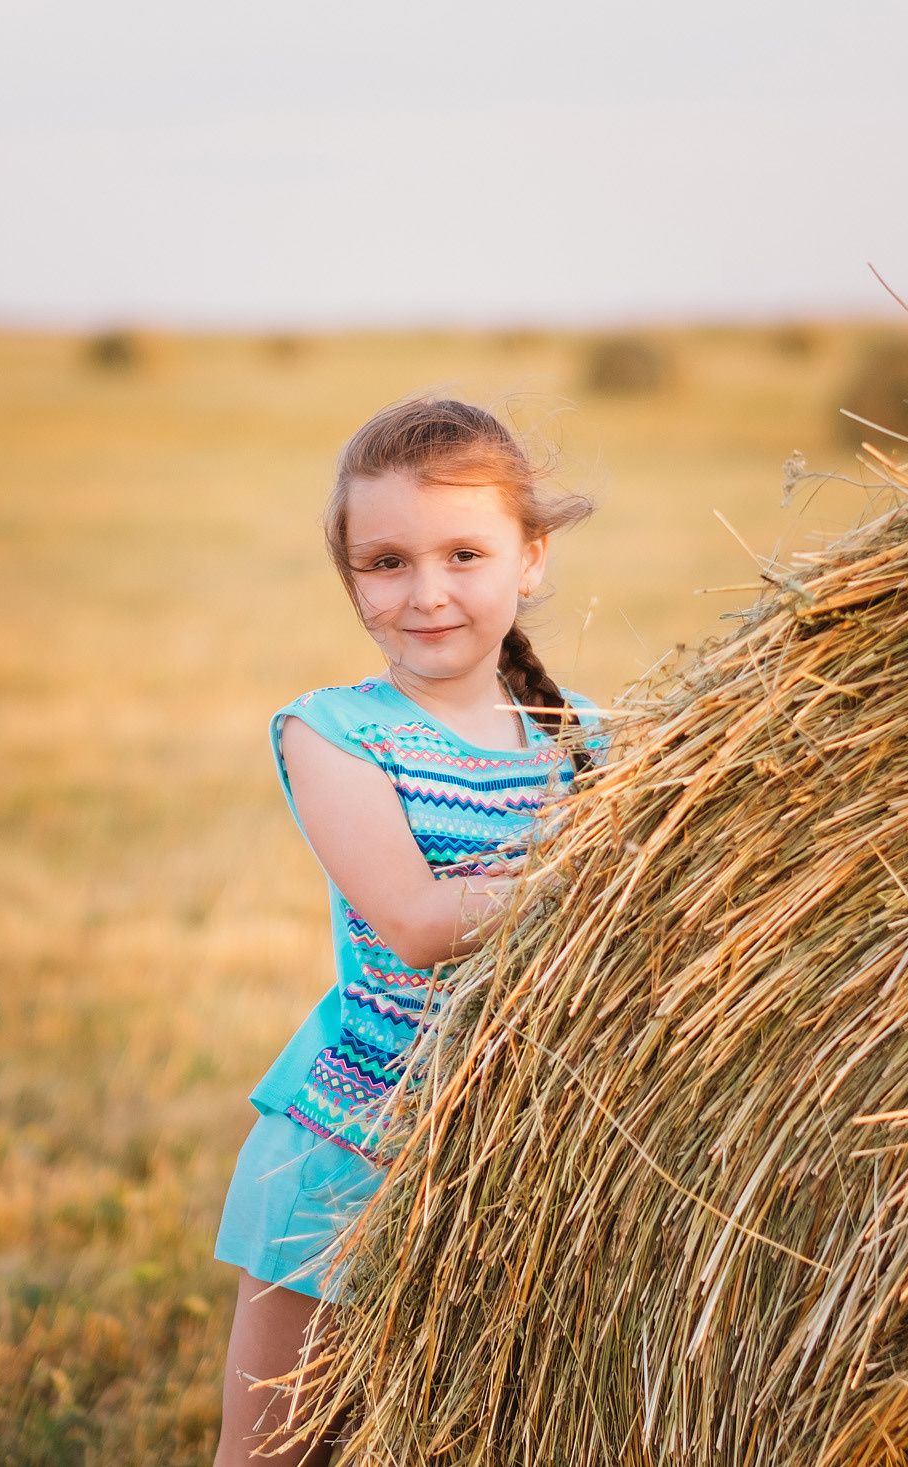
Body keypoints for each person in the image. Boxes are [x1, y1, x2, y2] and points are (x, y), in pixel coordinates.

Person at [212, 398, 597, 1466]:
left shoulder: (590, 738)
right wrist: (620, 876)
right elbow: (424, 924)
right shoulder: (331, 733)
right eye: (384, 563)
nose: (425, 593)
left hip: (535, 1148)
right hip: (362, 1146)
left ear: (531, 557)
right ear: (350, 578)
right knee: (280, 1450)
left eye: (463, 553)